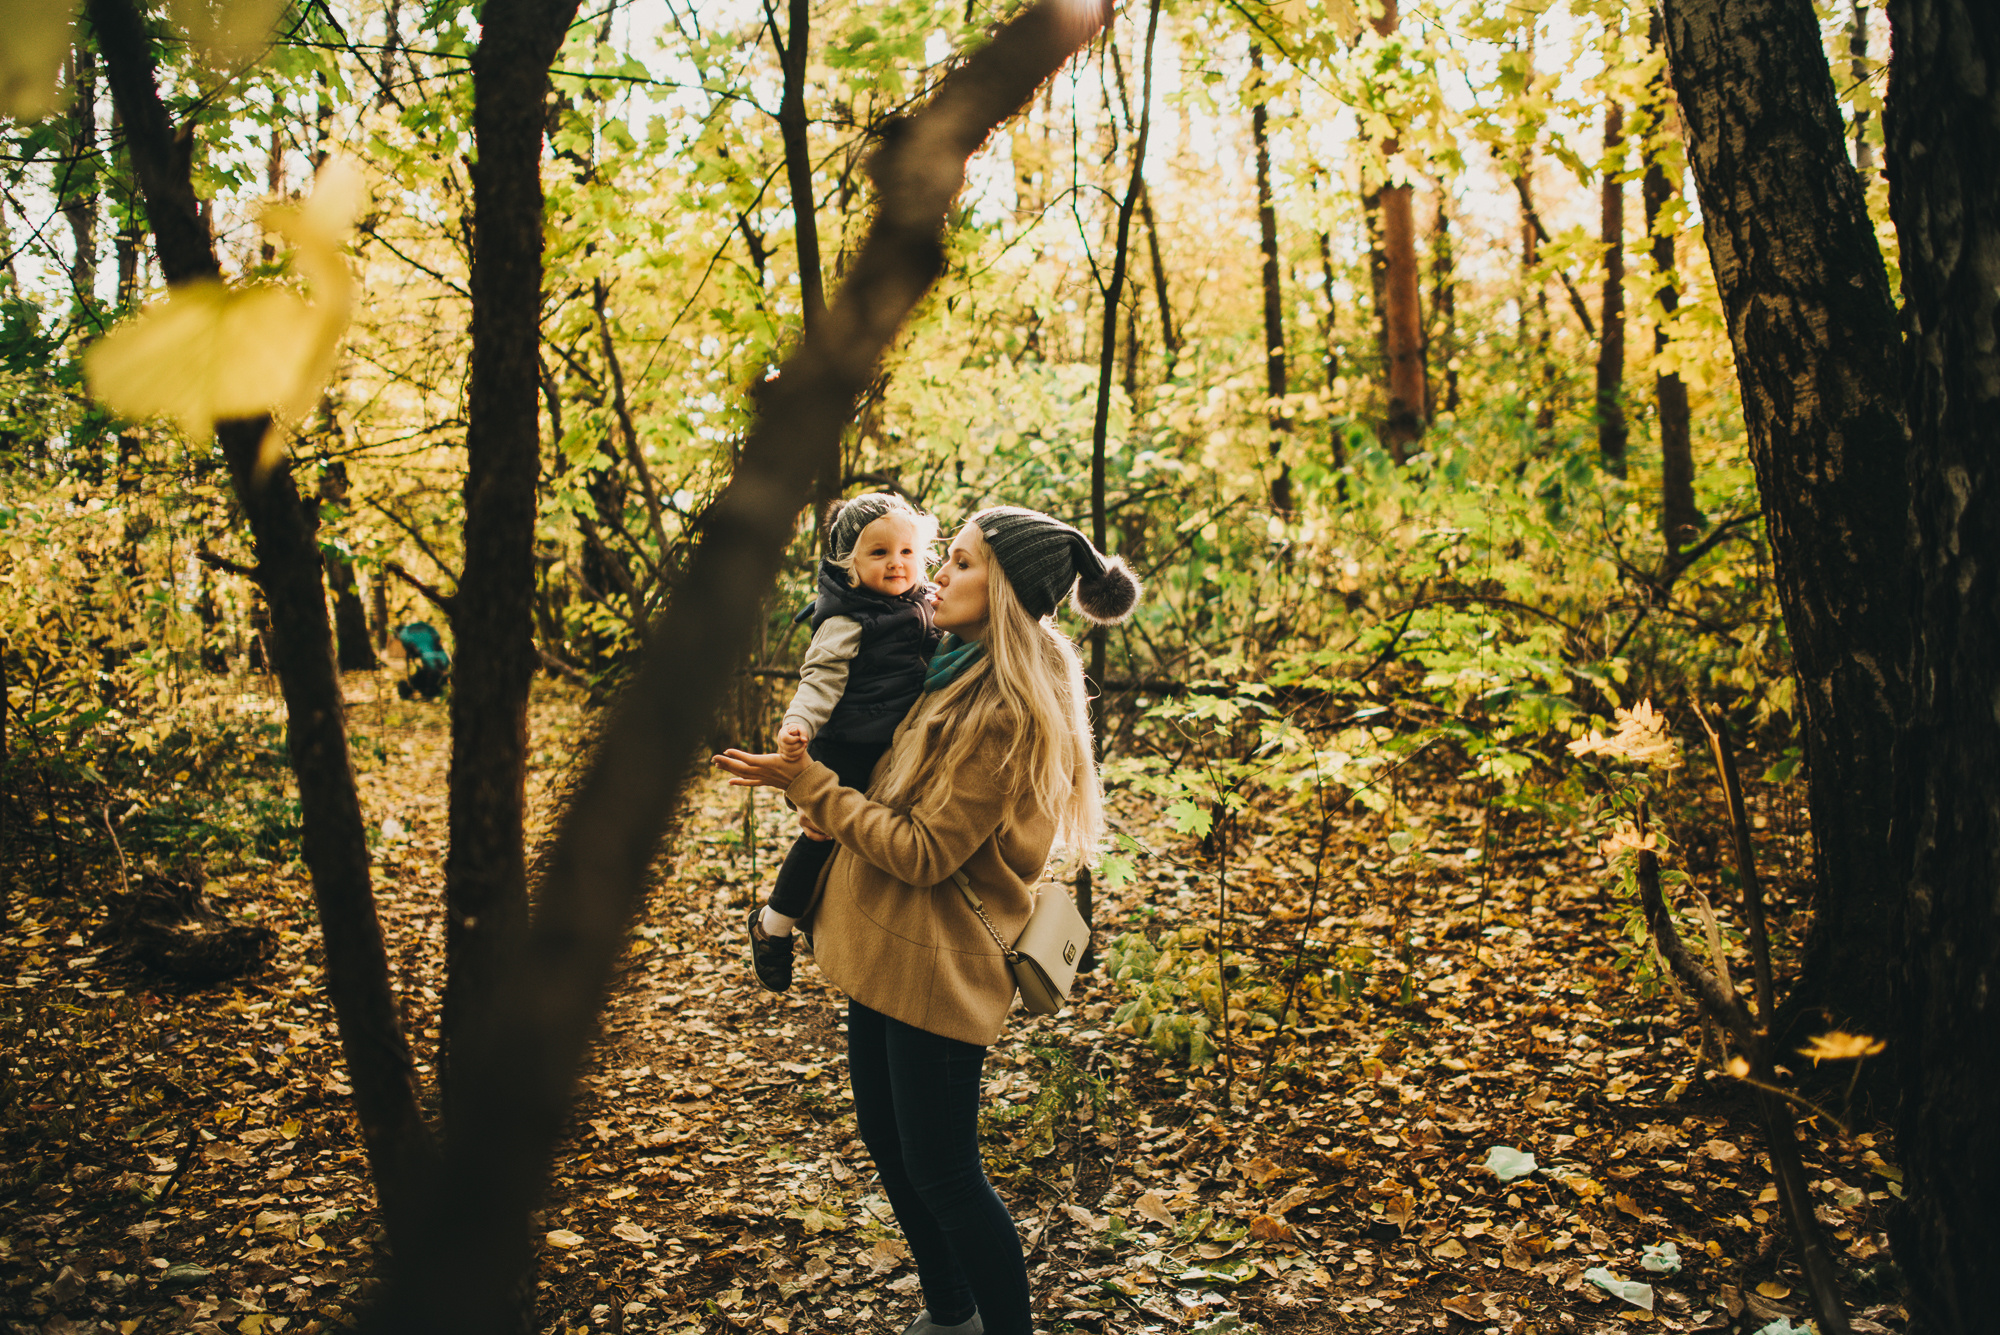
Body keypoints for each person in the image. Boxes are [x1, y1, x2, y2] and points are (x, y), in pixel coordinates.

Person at [714, 506, 1140, 1335]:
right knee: (891, 1142)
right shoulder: (949, 665)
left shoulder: (1005, 710)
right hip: (890, 951)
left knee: (944, 1171)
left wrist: (815, 790)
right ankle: (952, 1315)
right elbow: (889, 791)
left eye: (964, 564)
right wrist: (821, 792)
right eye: (947, 558)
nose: (939, 574)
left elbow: (922, 852)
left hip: (938, 967)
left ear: (1008, 591)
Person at [747, 493, 941, 992]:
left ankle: (842, 925)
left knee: (874, 839)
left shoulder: (923, 604)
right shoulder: (846, 619)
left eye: (906, 552)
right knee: (821, 834)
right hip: (847, 745)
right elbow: (820, 678)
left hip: (894, 742)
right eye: (878, 554)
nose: (896, 563)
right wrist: (798, 725)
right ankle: (773, 926)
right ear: (850, 566)